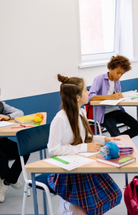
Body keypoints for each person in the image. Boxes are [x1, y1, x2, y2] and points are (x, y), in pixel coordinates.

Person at [48, 74, 122, 215]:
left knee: (114, 195)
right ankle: (66, 205)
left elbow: (86, 138)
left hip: (82, 164)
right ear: (77, 97)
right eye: (86, 90)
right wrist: (84, 147)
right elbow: (53, 150)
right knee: (86, 210)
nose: (89, 92)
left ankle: (70, 205)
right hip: (66, 172)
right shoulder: (60, 119)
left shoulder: (81, 112)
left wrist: (104, 139)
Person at [88, 55, 138, 138]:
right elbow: (90, 97)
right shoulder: (99, 79)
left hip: (116, 110)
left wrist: (119, 96)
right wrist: (111, 96)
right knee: (116, 135)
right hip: (105, 114)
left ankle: (116, 140)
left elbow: (116, 97)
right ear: (111, 68)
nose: (119, 76)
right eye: (118, 72)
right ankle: (117, 140)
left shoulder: (117, 81)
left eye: (122, 74)